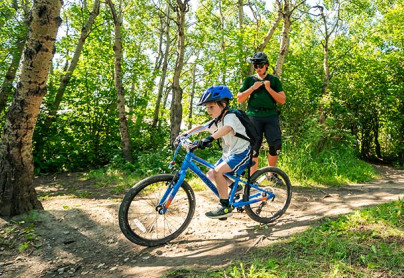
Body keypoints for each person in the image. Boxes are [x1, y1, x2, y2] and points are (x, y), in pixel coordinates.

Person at [178, 85, 252, 219]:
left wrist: (209, 138)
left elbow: (227, 129)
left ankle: (225, 207)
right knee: (212, 173)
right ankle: (238, 189)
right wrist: (185, 134)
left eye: (211, 107)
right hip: (229, 153)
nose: (208, 110)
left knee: (218, 172)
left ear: (223, 104)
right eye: (207, 108)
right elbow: (202, 127)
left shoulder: (230, 116)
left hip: (242, 152)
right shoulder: (218, 120)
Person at [237, 52, 286, 184]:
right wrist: (252, 88)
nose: (258, 68)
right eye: (255, 65)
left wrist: (269, 89)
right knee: (254, 147)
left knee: (275, 145)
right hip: (254, 116)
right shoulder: (249, 80)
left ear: (266, 66)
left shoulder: (274, 80)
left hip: (270, 115)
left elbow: (282, 100)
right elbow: (240, 98)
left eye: (260, 65)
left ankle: (272, 174)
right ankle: (253, 178)